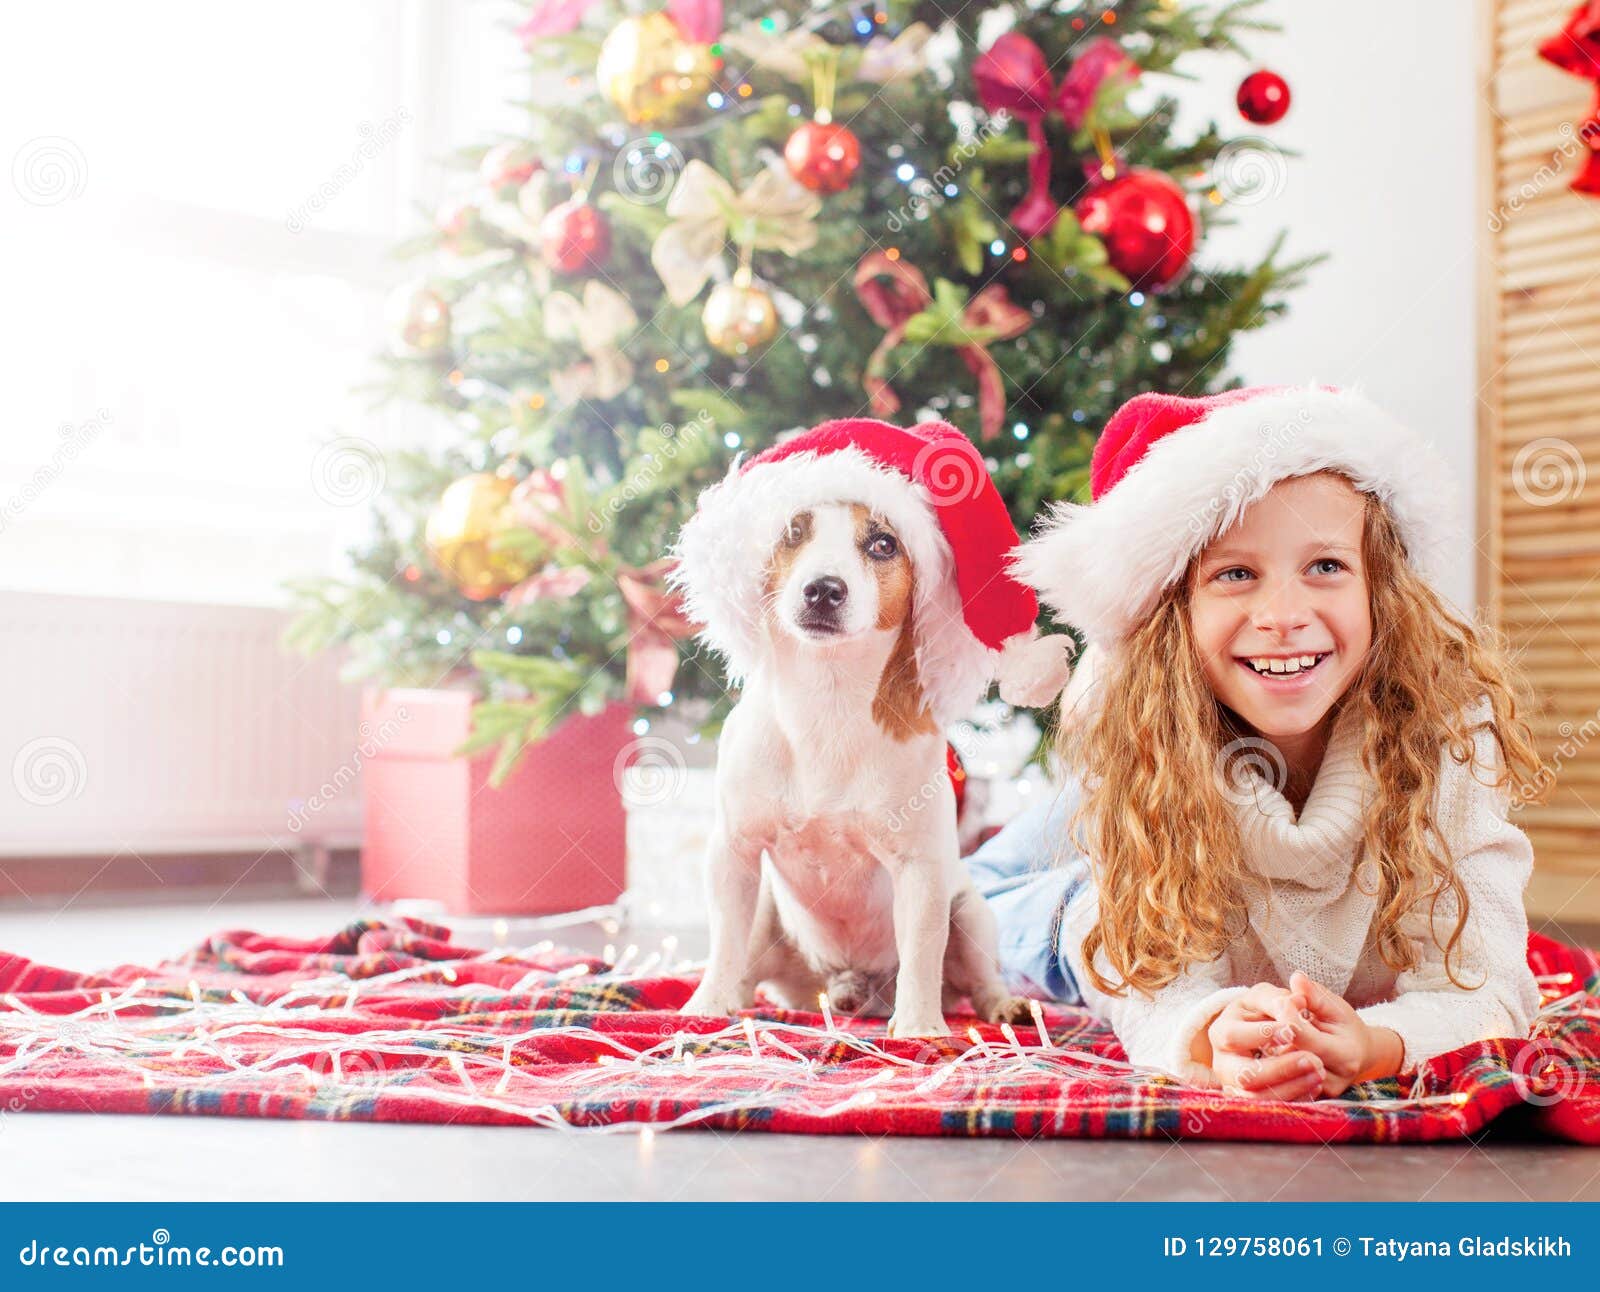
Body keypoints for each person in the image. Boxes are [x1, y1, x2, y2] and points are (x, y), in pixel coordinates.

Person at [976, 386, 1546, 1100]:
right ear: (1174, 614)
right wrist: (1207, 1032)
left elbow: (1487, 989)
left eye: (1326, 566)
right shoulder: (1144, 746)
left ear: (1383, 591)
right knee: (979, 905)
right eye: (1236, 574)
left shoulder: (1449, 737)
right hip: (1112, 831)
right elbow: (1154, 988)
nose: (1282, 616)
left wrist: (1373, 1045)